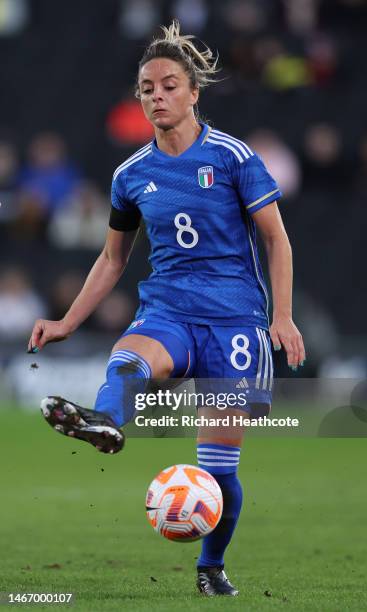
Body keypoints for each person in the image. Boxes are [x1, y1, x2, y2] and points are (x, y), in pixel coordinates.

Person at [28, 21, 305, 597]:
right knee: (128, 360)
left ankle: (210, 567)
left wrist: (282, 316)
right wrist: (66, 322)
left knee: (219, 471)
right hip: (170, 310)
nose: (157, 96)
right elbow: (112, 259)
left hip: (234, 321)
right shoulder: (131, 175)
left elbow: (276, 239)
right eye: (147, 88)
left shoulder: (233, 157)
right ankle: (107, 421)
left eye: (169, 85)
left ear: (193, 91)